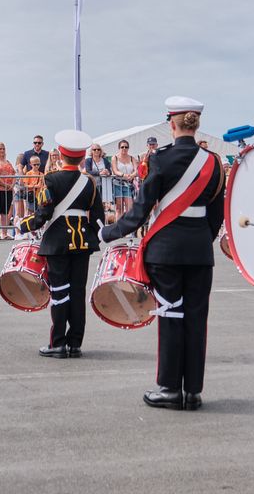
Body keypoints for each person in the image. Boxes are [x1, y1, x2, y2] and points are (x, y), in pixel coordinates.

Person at [99, 97, 225, 411]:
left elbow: (140, 210)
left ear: (172, 123)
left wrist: (109, 232)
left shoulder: (160, 159)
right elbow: (216, 214)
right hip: (198, 251)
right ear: (195, 124)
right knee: (197, 319)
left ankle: (170, 388)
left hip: (166, 250)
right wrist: (202, 240)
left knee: (170, 316)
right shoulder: (213, 162)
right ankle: (193, 390)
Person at [17, 130, 103, 359]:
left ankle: (58, 344)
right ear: (82, 156)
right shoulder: (90, 182)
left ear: (61, 155)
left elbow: (43, 213)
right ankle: (75, 343)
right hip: (82, 243)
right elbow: (97, 217)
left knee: (59, 293)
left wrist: (24, 225)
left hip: (56, 242)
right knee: (77, 292)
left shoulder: (50, 179)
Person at [83, 143, 114, 222]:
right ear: (91, 151)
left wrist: (107, 172)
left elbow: (110, 171)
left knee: (101, 205)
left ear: (101, 151)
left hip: (102, 186)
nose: (96, 151)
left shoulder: (105, 160)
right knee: (90, 205)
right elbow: (88, 171)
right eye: (94, 149)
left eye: (98, 149)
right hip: (91, 186)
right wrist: (100, 173)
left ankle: (101, 222)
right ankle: (89, 222)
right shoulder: (88, 160)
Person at [110, 140, 137, 218]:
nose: (124, 148)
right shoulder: (114, 158)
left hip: (128, 184)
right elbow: (115, 170)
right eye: (122, 147)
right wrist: (124, 175)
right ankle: (118, 228)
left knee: (130, 208)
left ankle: (129, 228)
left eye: (126, 147)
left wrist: (132, 175)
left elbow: (136, 170)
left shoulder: (132, 158)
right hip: (117, 184)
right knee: (119, 208)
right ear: (119, 148)